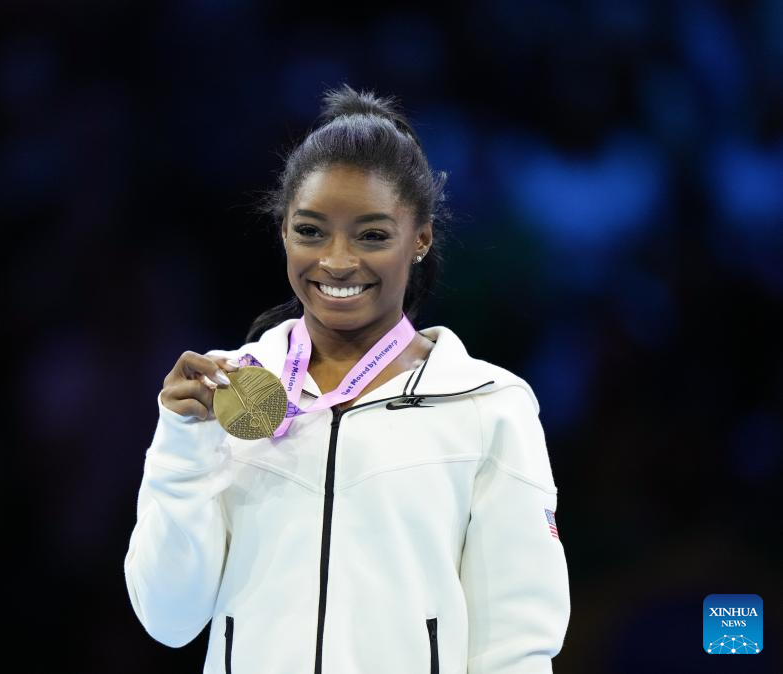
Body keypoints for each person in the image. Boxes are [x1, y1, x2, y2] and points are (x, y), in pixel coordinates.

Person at [124, 84, 570, 674]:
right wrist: (182, 447)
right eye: (311, 231)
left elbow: (517, 645)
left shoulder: (488, 408)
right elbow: (169, 619)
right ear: (283, 231)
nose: (336, 261)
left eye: (372, 235)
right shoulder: (223, 395)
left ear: (421, 238)